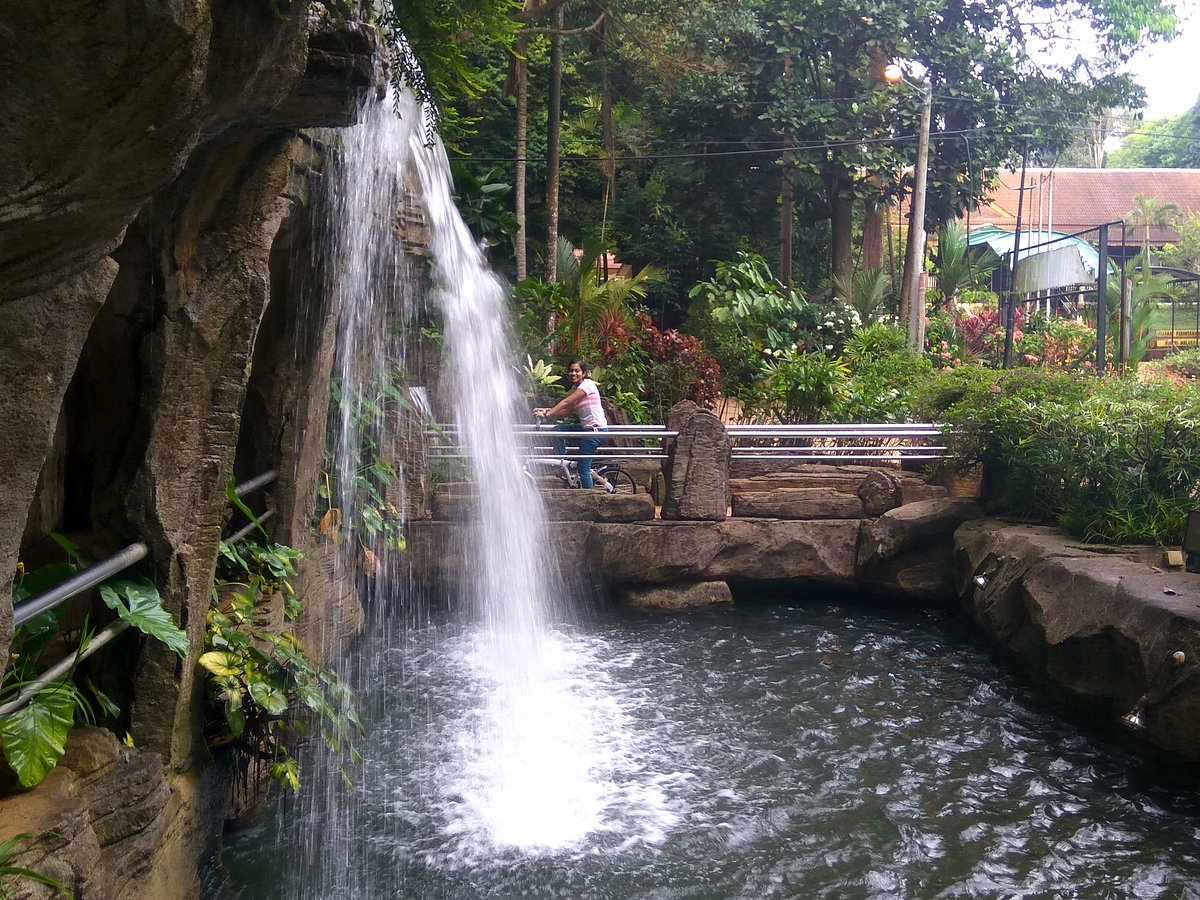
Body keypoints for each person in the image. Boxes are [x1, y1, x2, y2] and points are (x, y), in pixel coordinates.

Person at [532, 359, 615, 492]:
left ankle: (590, 499)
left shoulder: (587, 385)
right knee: (558, 430)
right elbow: (566, 412)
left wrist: (548, 414)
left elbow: (566, 402)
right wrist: (545, 410)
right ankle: (562, 466)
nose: (573, 373)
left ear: (584, 373)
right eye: (571, 370)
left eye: (577, 370)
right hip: (585, 429)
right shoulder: (575, 389)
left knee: (583, 467)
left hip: (595, 431)